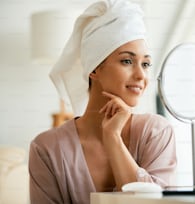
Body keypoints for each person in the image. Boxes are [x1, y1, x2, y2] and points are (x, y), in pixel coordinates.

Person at [28, 0, 177, 203]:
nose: (141, 75)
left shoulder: (156, 132)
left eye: (146, 64)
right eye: (127, 61)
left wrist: (113, 138)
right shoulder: (47, 148)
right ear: (94, 68)